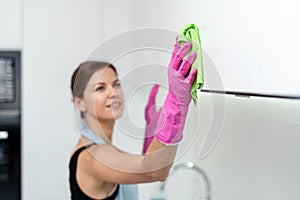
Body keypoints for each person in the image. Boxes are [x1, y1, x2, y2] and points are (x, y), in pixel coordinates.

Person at [68, 38, 198, 199]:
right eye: (100, 88)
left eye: (116, 84)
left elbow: (145, 166)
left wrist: (153, 139)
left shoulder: (100, 147)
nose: (113, 92)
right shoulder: (91, 156)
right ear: (79, 102)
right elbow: (154, 172)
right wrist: (176, 102)